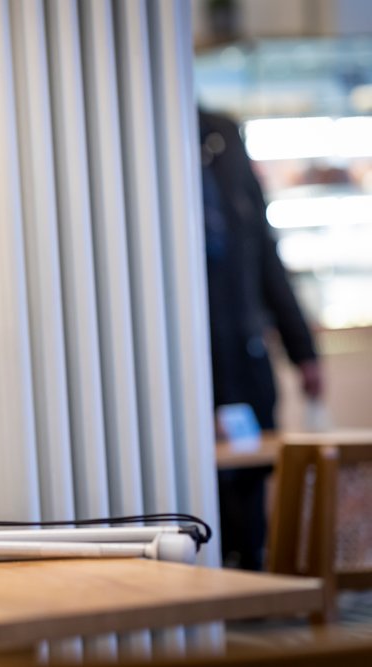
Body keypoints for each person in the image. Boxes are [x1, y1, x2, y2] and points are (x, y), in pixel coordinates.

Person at [199, 107, 323, 570]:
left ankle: (255, 582)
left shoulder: (222, 134)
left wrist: (303, 351)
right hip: (190, 358)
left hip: (244, 352)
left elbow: (263, 251)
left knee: (250, 476)